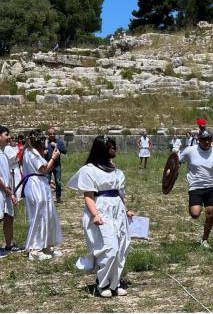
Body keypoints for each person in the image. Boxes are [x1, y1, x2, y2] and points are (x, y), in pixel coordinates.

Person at [68, 136, 134, 298]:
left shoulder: (116, 171)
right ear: (103, 149)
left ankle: (115, 283)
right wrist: (95, 214)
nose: (115, 149)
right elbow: (88, 196)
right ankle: (102, 282)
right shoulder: (89, 170)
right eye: (111, 147)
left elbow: (119, 195)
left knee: (121, 247)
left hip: (117, 211)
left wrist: (126, 210)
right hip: (101, 210)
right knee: (109, 248)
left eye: (114, 146)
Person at [179, 130, 213, 248]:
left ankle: (205, 239)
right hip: (195, 187)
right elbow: (177, 161)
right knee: (195, 214)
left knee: (210, 213)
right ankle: (194, 207)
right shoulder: (190, 151)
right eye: (204, 139)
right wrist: (172, 171)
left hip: (211, 187)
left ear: (212, 139)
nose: (207, 141)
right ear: (198, 140)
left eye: (209, 139)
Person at [22, 129, 64, 261]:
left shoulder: (33, 153)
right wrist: (53, 157)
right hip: (35, 186)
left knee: (47, 215)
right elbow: (44, 169)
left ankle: (46, 245)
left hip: (40, 184)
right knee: (38, 216)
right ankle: (35, 249)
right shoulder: (32, 153)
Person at [0, 126, 18, 258]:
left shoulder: (4, 152)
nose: (8, 137)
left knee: (9, 217)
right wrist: (5, 189)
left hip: (7, 190)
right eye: (6, 135)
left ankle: (9, 244)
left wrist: (9, 190)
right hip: (2, 191)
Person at [45, 127, 67, 203]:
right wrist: (44, 151)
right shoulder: (45, 142)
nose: (52, 135)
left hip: (57, 164)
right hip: (47, 164)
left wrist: (56, 146)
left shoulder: (59, 142)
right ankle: (47, 198)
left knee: (58, 181)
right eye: (50, 134)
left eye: (53, 134)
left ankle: (58, 197)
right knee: (47, 181)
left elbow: (64, 151)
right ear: (48, 134)